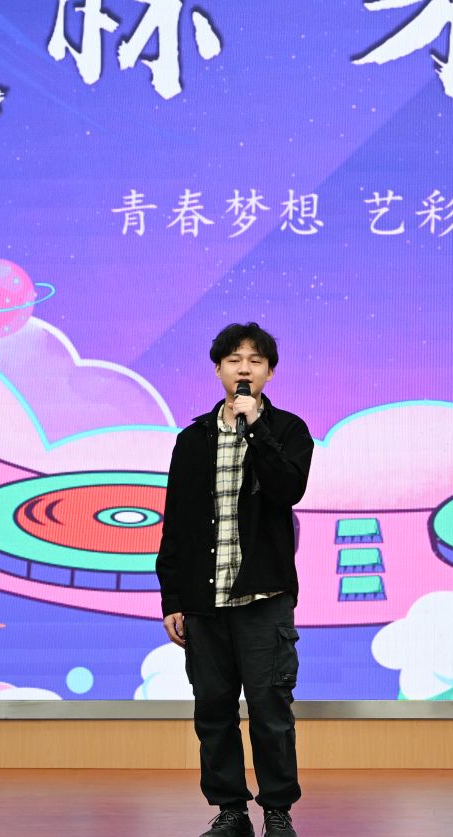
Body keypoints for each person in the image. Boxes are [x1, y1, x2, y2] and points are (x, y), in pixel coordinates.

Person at [156, 322, 313, 837]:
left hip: (263, 598)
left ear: (269, 373)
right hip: (205, 602)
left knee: (271, 711)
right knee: (213, 712)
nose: (244, 369)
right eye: (234, 360)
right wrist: (172, 598)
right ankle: (230, 811)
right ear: (218, 369)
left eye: (255, 361)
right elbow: (176, 524)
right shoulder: (192, 440)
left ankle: (277, 812)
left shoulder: (288, 430)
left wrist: (257, 429)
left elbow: (288, 489)